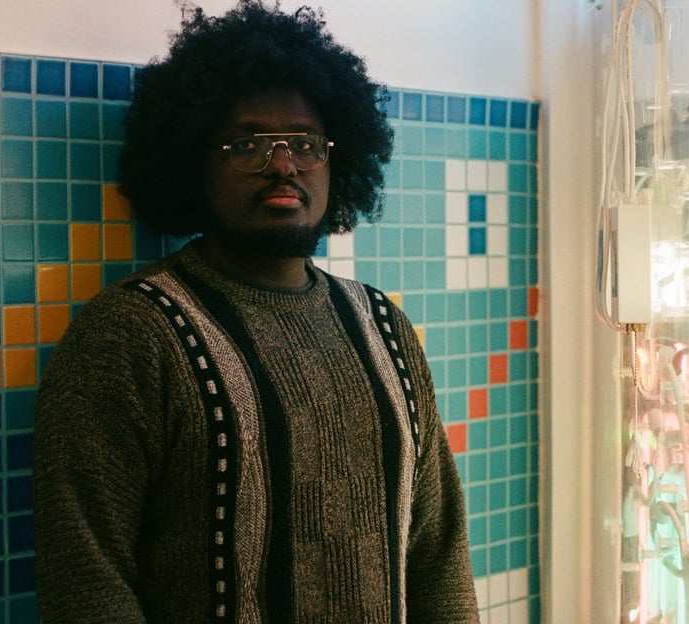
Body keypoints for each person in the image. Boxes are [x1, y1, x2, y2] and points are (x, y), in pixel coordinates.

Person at [33, 2, 478, 622]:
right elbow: (86, 581)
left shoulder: (385, 327)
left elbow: (438, 554)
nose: (283, 164)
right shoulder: (131, 333)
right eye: (247, 144)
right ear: (195, 161)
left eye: (305, 144)